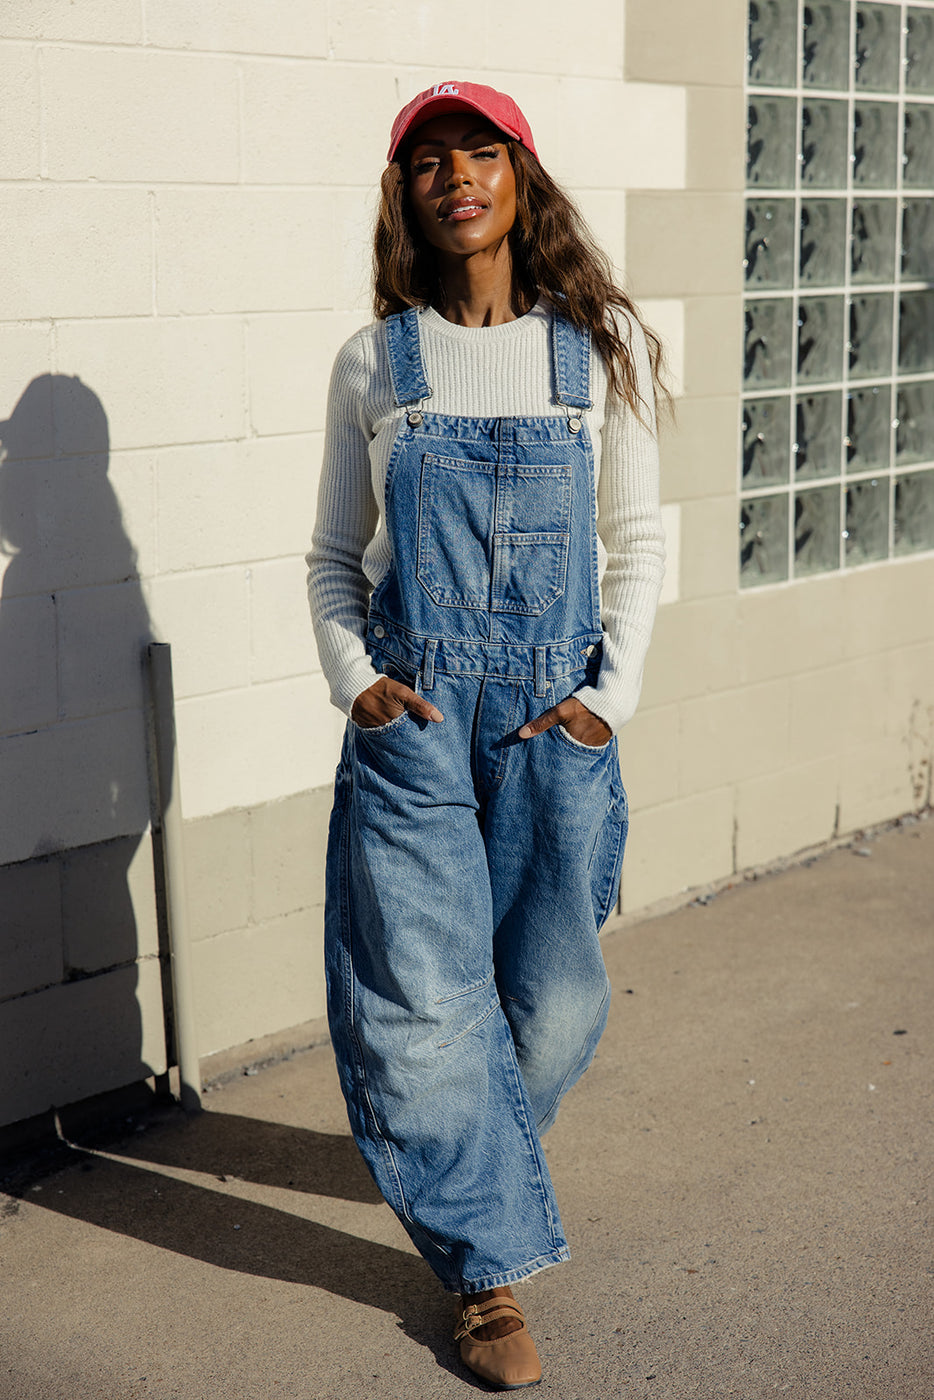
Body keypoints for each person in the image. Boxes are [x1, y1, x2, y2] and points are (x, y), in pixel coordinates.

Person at [307, 80, 666, 1390]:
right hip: (413, 722)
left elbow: (637, 547)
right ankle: (483, 1279)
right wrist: (357, 681)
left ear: (521, 178)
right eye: (427, 162)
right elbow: (331, 557)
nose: (455, 177)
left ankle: (462, 1154)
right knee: (423, 1009)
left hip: (546, 724)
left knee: (556, 1002)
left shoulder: (591, 348)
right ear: (406, 194)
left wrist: (600, 701)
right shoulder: (375, 359)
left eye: (481, 154)